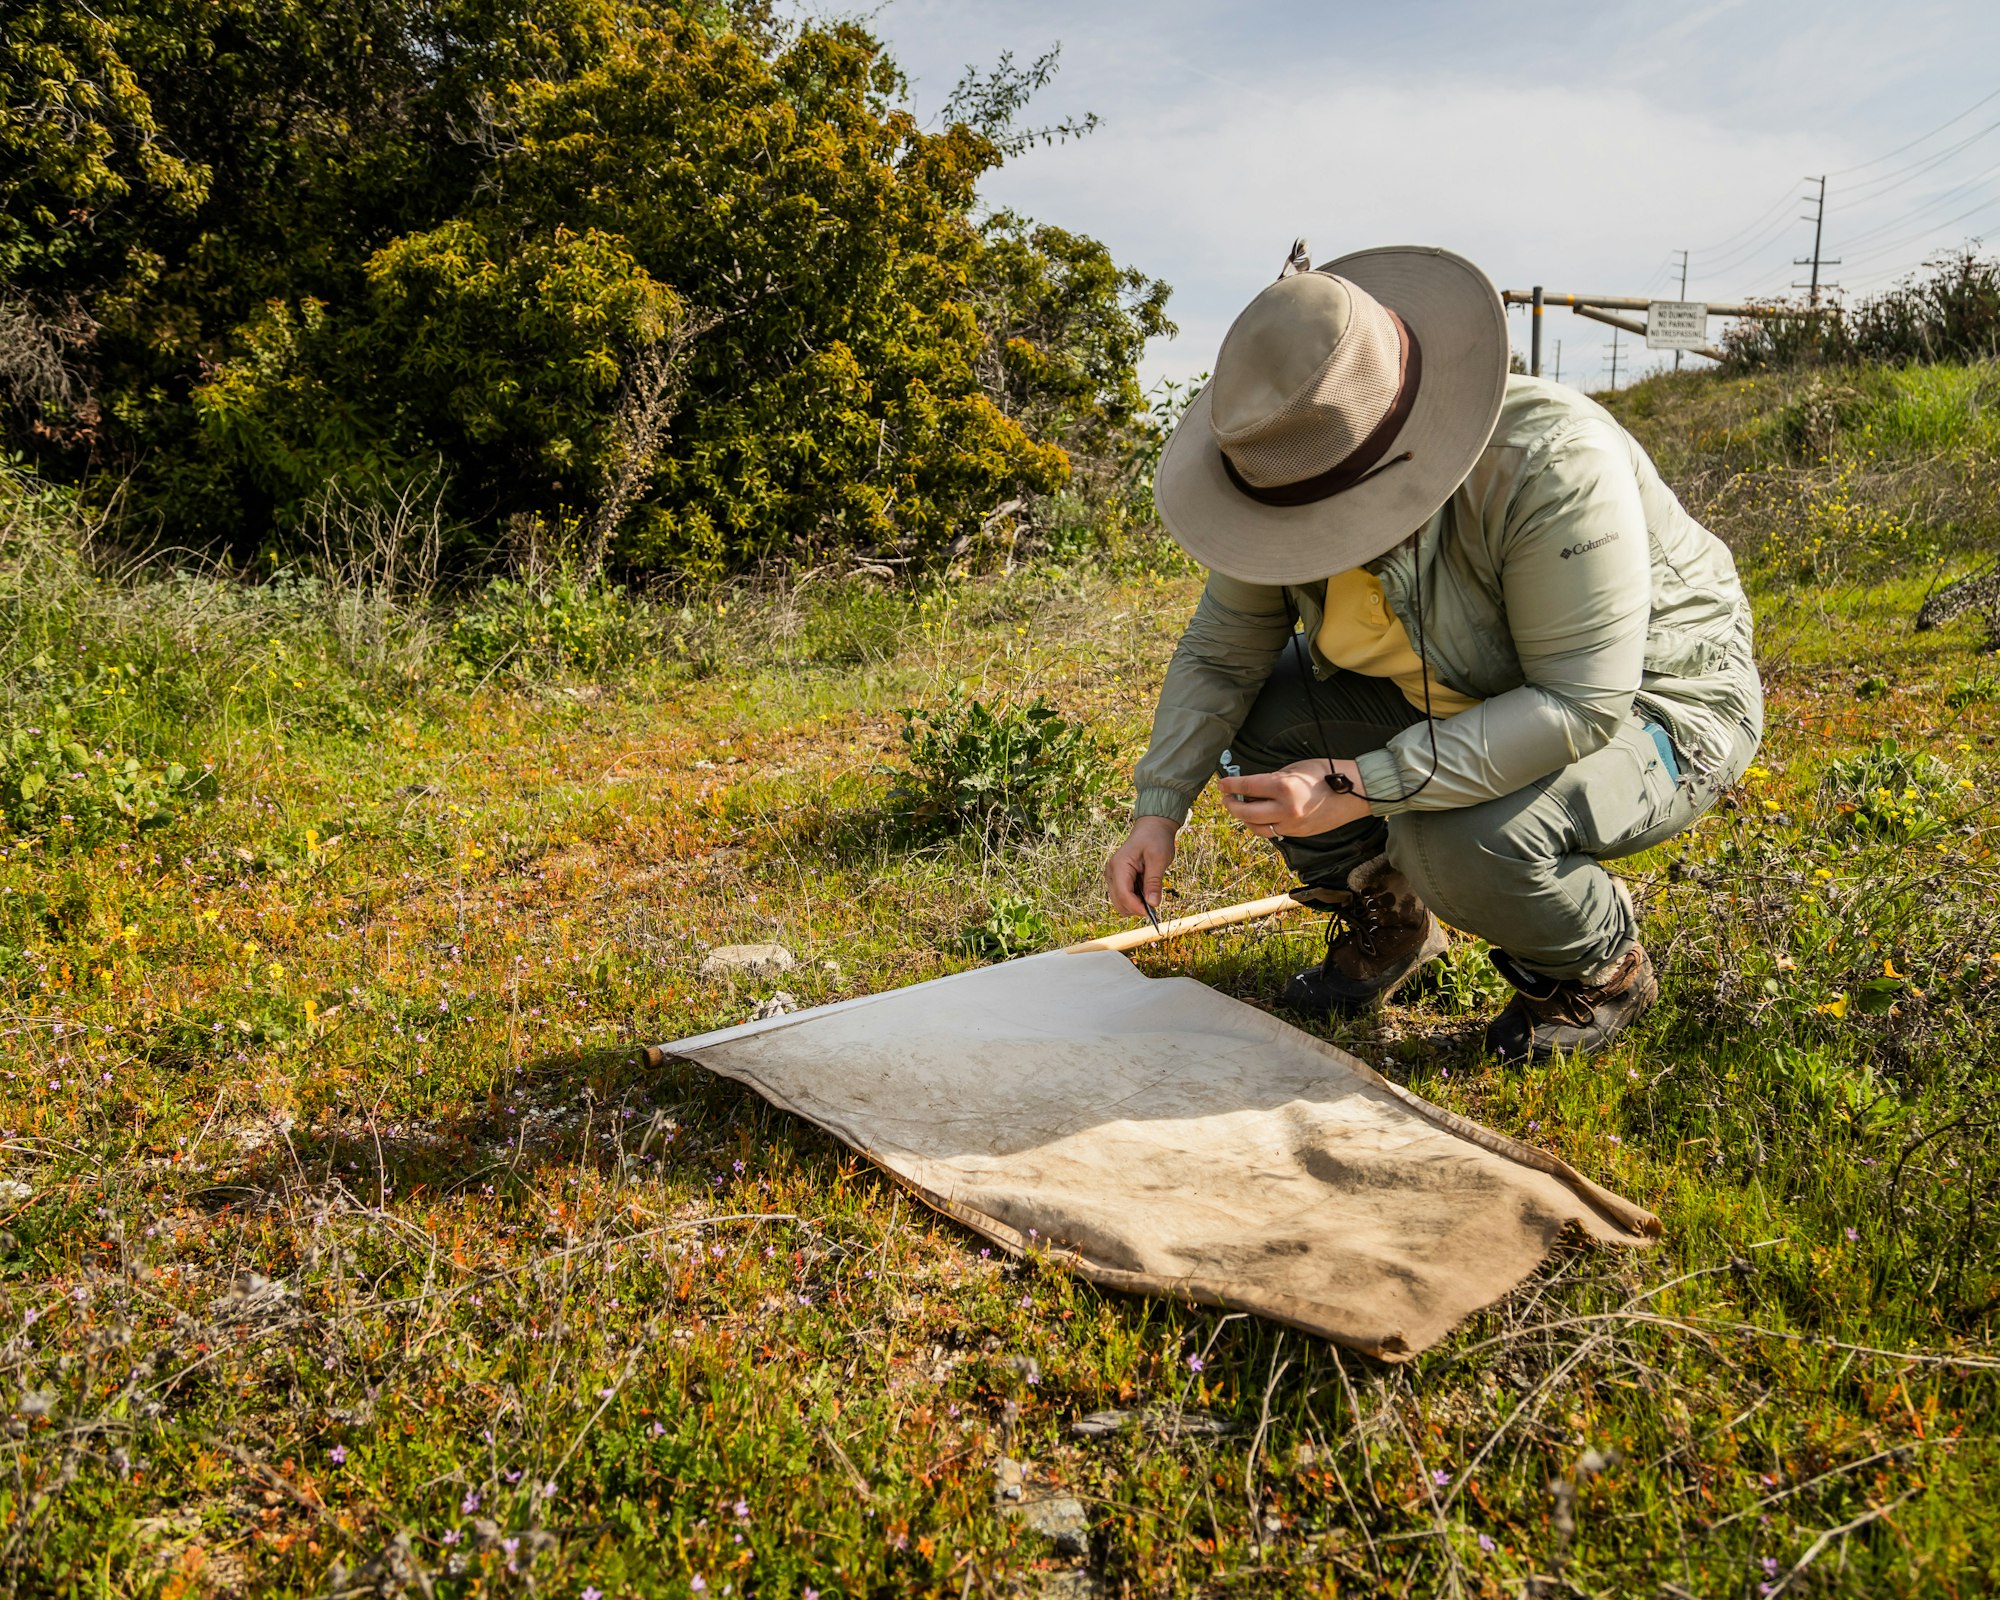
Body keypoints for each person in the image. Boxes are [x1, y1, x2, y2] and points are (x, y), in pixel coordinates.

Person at [1102, 244, 1761, 1061]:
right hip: (1456, 686)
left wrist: (1359, 783)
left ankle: (1598, 970)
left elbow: (1580, 703)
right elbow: (1220, 653)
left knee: (1454, 838)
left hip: (1653, 697)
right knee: (1263, 724)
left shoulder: (1550, 462)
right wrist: (1159, 808)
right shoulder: (1287, 459)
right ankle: (1396, 918)